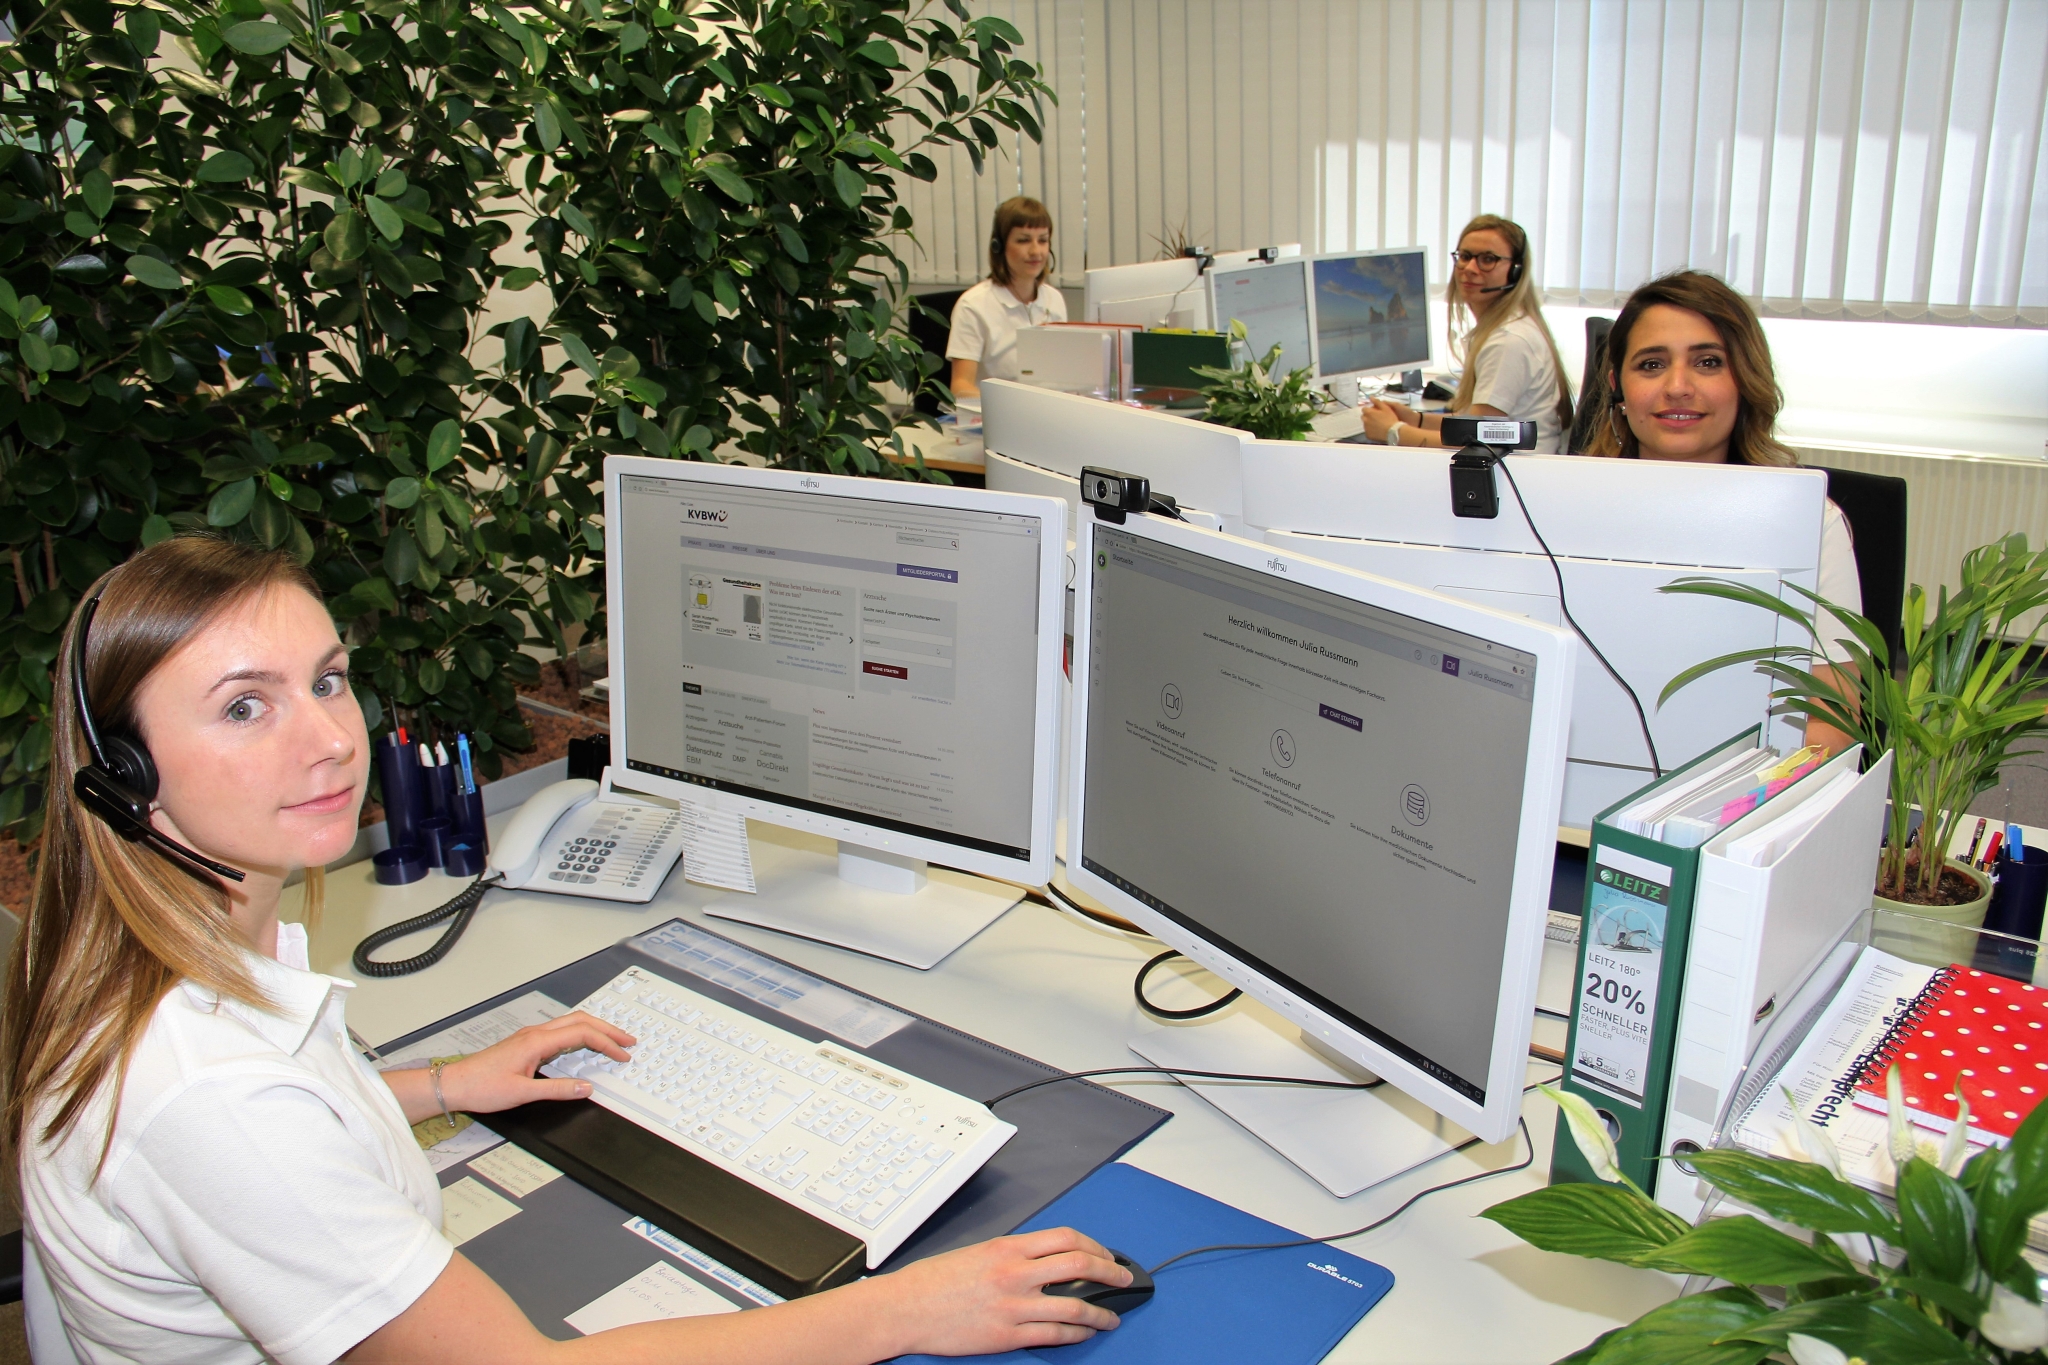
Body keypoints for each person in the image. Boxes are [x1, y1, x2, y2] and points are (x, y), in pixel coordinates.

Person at [6, 537, 1130, 1364]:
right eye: (244, 709)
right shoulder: (207, 1095)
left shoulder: (159, 968)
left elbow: (258, 1128)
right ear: (130, 775)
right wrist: (905, 1313)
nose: (329, 739)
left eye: (328, 679)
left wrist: (438, 1084)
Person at [1586, 269, 1861, 755]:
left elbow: (1830, 727)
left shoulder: (1810, 524)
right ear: (1617, 387)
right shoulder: (1560, 509)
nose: (1677, 386)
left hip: (1736, 795)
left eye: (1708, 362)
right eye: (1651, 365)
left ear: (1745, 380)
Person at [1359, 214, 1573, 452]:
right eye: (1466, 257)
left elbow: (1477, 441)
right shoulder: (1504, 329)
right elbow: (1473, 425)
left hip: (1514, 475)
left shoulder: (1508, 342)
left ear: (1515, 272)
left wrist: (1393, 432)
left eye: (1488, 259)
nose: (1470, 268)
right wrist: (1415, 419)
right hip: (1508, 468)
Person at [946, 196, 1064, 401]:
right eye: (1023, 240)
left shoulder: (1054, 300)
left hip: (1047, 414)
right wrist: (1013, 405)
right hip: (995, 418)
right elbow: (960, 387)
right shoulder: (973, 305)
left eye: (1043, 240)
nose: (1036, 251)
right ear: (998, 246)